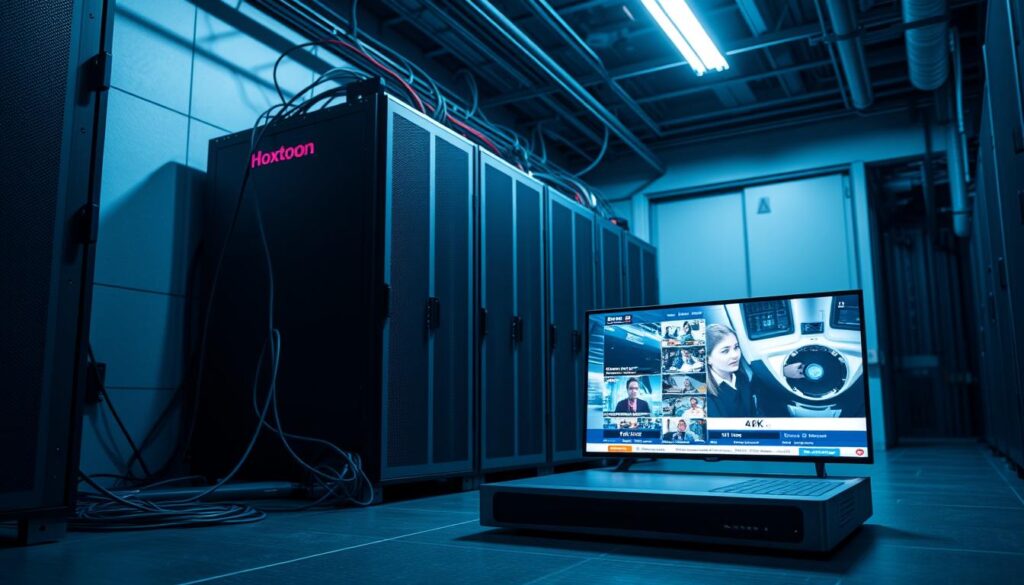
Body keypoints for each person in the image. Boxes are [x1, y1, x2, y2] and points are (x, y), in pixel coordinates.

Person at [705, 323, 757, 418]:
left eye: (736, 347)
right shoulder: (706, 397)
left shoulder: (742, 378)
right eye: (725, 351)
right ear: (708, 359)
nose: (735, 355)